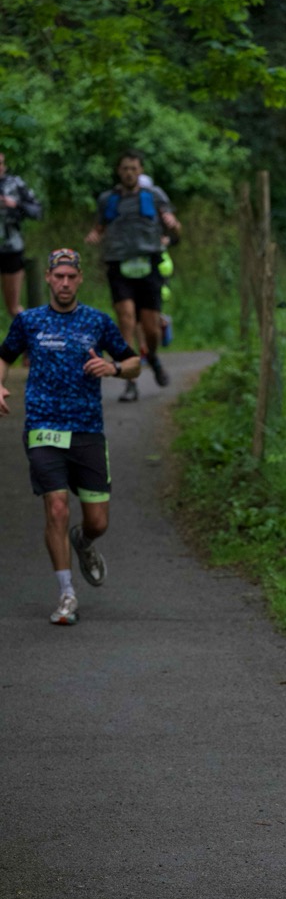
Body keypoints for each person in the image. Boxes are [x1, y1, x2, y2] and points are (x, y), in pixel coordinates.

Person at [0, 248, 141, 625]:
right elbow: (4, 356)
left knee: (98, 522)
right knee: (57, 507)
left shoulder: (97, 321)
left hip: (87, 431)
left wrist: (112, 367)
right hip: (43, 428)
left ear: (79, 280)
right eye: (58, 276)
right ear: (48, 278)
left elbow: (134, 363)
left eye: (71, 277)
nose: (64, 283)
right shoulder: (29, 321)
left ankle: (84, 541)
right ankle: (66, 594)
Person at [84, 149, 180, 400]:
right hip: (119, 266)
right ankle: (130, 381)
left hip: (149, 264)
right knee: (126, 319)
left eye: (133, 168)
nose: (129, 173)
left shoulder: (154, 196)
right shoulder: (108, 199)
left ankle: (153, 356)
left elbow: (175, 228)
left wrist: (173, 225)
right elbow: (99, 227)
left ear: (141, 171)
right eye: (125, 168)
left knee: (151, 328)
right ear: (119, 171)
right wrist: (94, 235)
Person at [0, 150, 43, 318]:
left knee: (13, 307)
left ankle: (32, 332)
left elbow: (37, 211)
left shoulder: (15, 184)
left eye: (0, 163)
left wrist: (16, 204)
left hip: (11, 247)